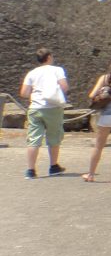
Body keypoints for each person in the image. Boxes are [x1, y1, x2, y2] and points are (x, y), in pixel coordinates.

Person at [19, 48, 70, 179]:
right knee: (54, 137)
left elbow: (24, 93)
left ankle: (30, 170)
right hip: (53, 107)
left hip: (35, 107)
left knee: (34, 139)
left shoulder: (32, 73)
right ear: (49, 57)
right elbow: (64, 87)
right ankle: (53, 166)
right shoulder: (57, 70)